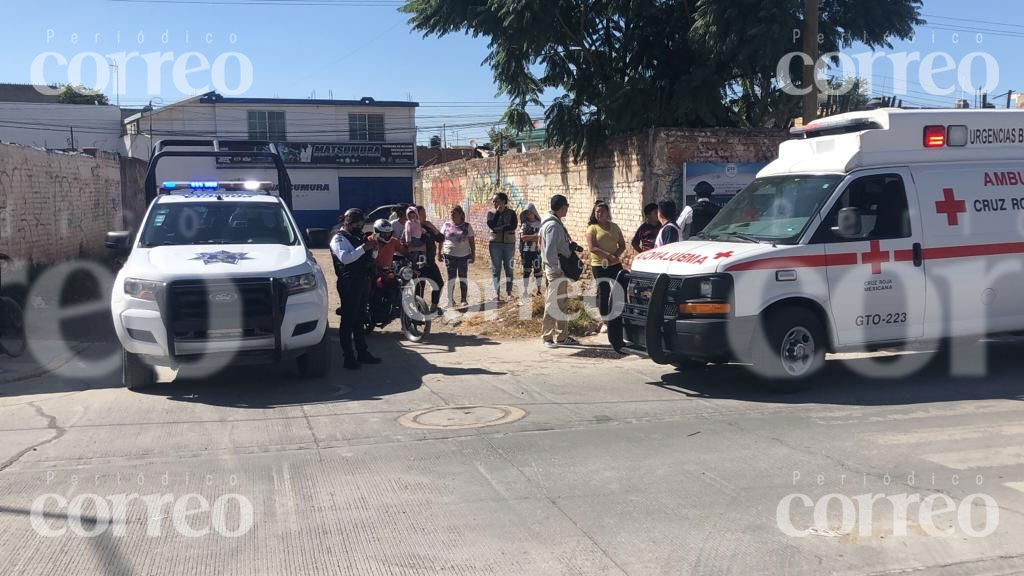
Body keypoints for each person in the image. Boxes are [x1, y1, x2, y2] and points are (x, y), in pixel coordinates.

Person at [330, 208, 381, 370]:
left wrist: (374, 249)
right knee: (348, 319)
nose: (361, 227)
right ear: (349, 223)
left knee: (360, 319)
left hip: (363, 280)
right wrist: (364, 248)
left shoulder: (358, 236)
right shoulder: (338, 238)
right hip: (349, 282)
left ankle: (362, 353)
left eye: (362, 224)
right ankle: (348, 357)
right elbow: (345, 258)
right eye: (358, 224)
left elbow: (369, 258)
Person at [539, 194, 580, 348]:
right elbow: (549, 251)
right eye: (566, 207)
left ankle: (562, 336)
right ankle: (547, 337)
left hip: (557, 269)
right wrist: (556, 269)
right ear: (562, 207)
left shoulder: (553, 223)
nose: (567, 210)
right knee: (552, 304)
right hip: (556, 270)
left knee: (562, 303)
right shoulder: (552, 226)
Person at [586, 201, 626, 340]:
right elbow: (592, 248)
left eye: (602, 211)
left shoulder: (614, 227)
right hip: (600, 265)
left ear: (607, 213)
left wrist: (616, 256)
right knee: (604, 291)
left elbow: (622, 245)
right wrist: (608, 256)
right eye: (597, 212)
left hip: (615, 263)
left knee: (620, 288)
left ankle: (619, 316)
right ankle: (605, 321)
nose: (599, 214)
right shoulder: (592, 228)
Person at [441, 205, 475, 307]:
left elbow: (472, 242)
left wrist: (473, 254)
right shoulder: (446, 225)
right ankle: (450, 300)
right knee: (451, 278)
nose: (452, 215)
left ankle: (463, 299)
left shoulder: (467, 226)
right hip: (449, 255)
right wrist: (439, 252)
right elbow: (441, 239)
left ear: (461, 214)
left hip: (463, 256)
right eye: (451, 213)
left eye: (454, 213)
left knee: (463, 277)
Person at [486, 192, 518, 301]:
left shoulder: (512, 213)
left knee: (509, 268)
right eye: (494, 201)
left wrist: (500, 228)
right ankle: (496, 294)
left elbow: (513, 226)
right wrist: (498, 213)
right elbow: (492, 225)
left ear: (504, 201)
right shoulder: (491, 213)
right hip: (495, 244)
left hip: (509, 244)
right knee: (496, 269)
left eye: (497, 201)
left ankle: (509, 293)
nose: (494, 203)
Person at [416, 205, 445, 313]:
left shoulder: (428, 227)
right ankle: (418, 310)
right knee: (419, 288)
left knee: (439, 284)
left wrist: (433, 228)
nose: (424, 216)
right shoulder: (411, 228)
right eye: (421, 214)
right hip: (418, 263)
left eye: (424, 214)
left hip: (430, 262)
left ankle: (433, 307)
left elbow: (441, 238)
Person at [518, 203, 543, 297]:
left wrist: (532, 237)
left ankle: (539, 290)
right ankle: (525, 290)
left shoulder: (539, 224)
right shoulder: (524, 224)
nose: (528, 215)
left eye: (530, 212)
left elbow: (540, 238)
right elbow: (523, 237)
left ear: (534, 213)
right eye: (527, 213)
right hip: (526, 251)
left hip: (537, 251)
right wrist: (535, 236)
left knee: (538, 271)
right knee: (526, 271)